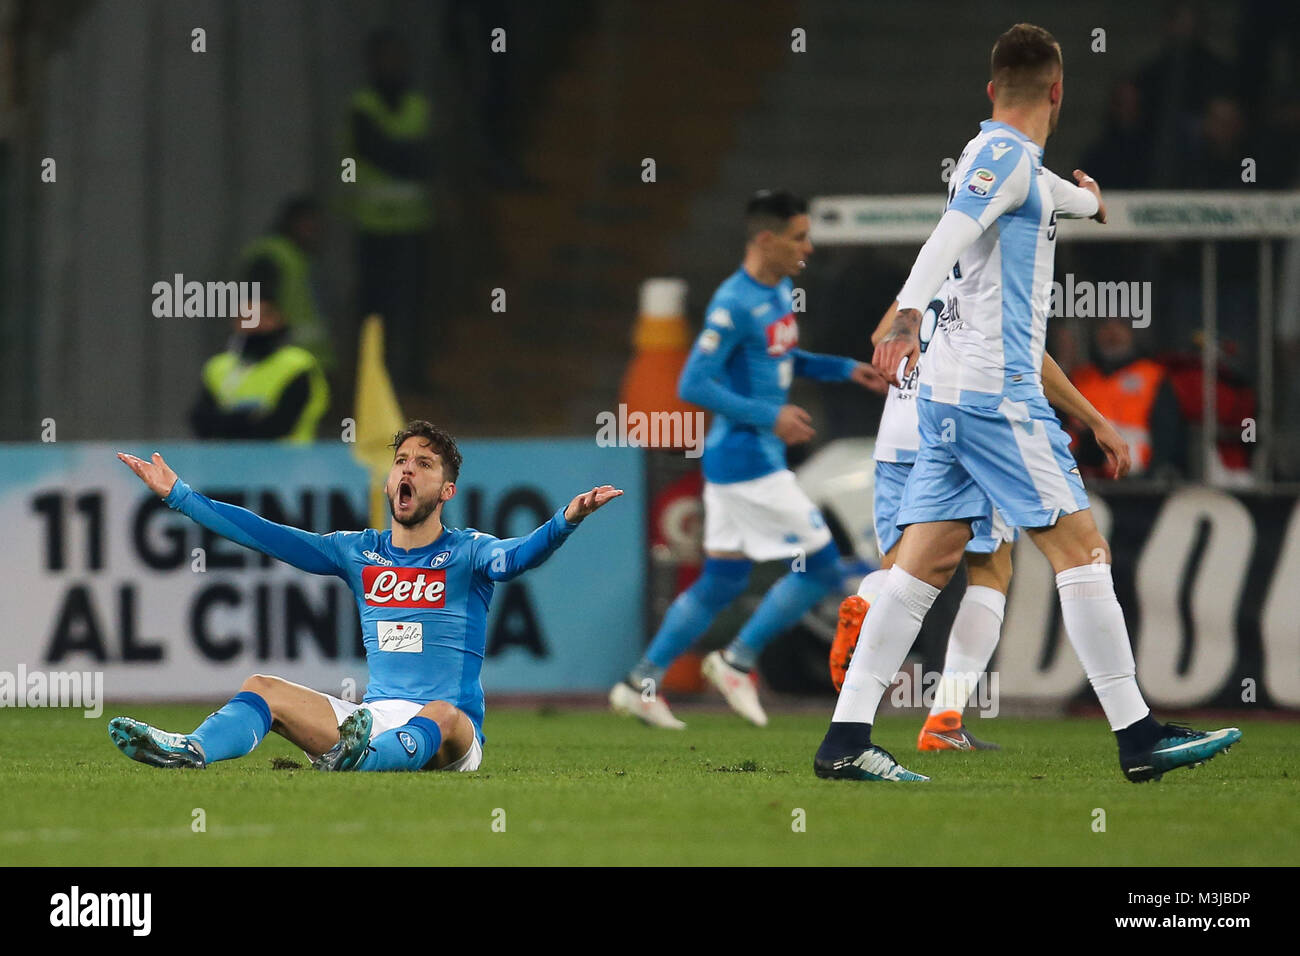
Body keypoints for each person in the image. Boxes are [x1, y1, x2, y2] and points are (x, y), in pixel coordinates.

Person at [815, 23, 1241, 783]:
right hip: (994, 398)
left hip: (947, 401)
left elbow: (1052, 195)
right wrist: (907, 310)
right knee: (1082, 551)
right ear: (1059, 90)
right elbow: (947, 235)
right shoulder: (1003, 158)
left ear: (990, 91)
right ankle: (1139, 738)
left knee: (921, 569)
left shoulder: (1014, 166)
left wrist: (1091, 203)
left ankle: (845, 741)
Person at [109, 422, 621, 773]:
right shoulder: (358, 553)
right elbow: (266, 535)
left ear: (446, 491)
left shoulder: (469, 551)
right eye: (401, 461)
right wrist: (180, 495)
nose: (407, 470)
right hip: (372, 721)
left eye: (424, 464)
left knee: (441, 712)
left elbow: (517, 559)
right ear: (388, 481)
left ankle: (360, 760)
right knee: (262, 686)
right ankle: (191, 749)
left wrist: (565, 521)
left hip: (452, 733)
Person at [609, 190, 885, 729]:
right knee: (823, 566)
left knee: (722, 583)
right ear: (766, 239)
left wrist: (842, 368)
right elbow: (693, 383)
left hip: (741, 461)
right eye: (798, 237)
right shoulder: (732, 303)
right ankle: (736, 660)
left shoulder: (779, 290)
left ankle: (638, 683)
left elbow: (783, 357)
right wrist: (769, 416)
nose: (807, 247)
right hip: (747, 460)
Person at [830, 295, 1134, 753]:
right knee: (992, 569)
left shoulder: (930, 270)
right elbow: (1030, 360)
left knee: (903, 571)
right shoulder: (992, 277)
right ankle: (945, 716)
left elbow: (882, 338)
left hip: (898, 436)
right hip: (963, 429)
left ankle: (870, 599)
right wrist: (1093, 418)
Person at [344, 28, 435, 388]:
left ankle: (412, 376)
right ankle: (374, 378)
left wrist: (401, 155)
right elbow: (380, 152)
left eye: (399, 57)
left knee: (413, 308)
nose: (393, 65)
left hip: (413, 226)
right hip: (374, 228)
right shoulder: (362, 106)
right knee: (374, 311)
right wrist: (407, 155)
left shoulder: (418, 106)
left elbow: (430, 158)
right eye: (386, 57)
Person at [190, 263, 330, 443]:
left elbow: (279, 425)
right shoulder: (217, 368)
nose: (252, 325)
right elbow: (201, 422)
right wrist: (250, 419)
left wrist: (229, 422)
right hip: (227, 467)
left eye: (260, 316)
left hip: (288, 466)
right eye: (244, 317)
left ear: (278, 318)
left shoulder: (298, 366)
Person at [1066, 317, 1185, 479]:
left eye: (1120, 325)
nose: (1112, 333)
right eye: (1105, 325)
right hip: (1085, 480)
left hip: (1139, 479)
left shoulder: (1153, 376)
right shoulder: (1079, 378)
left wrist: (1155, 474)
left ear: (1133, 331)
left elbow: (1168, 434)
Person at [239, 196, 332, 371]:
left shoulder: (303, 260)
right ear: (292, 223)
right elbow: (256, 307)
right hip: (282, 361)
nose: (315, 231)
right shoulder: (274, 256)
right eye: (308, 224)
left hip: (305, 362)